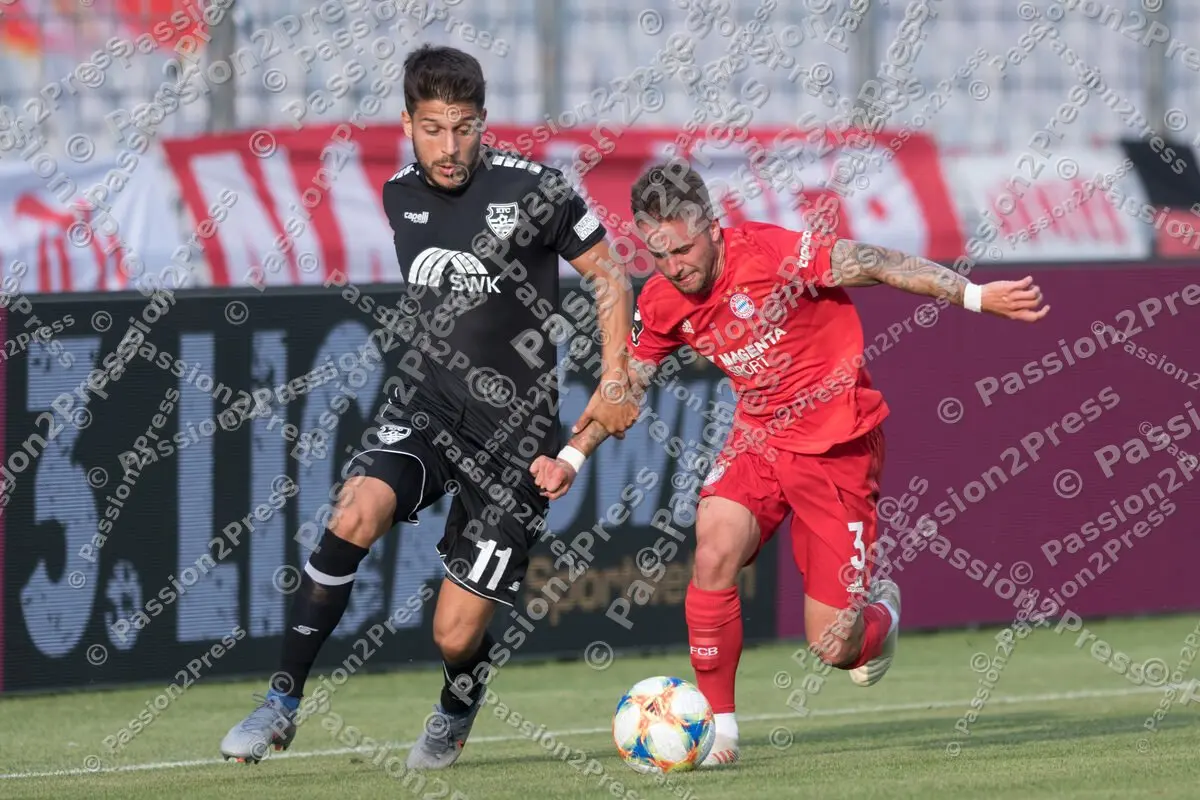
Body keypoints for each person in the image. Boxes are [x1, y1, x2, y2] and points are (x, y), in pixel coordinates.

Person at [530, 160, 1049, 766]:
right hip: (759, 440)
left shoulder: (772, 254)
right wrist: (570, 456)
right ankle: (721, 727)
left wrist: (974, 294)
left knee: (835, 646)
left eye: (684, 249)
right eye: (659, 253)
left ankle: (880, 615)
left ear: (712, 228)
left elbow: (876, 261)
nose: (675, 266)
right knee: (714, 546)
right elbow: (624, 391)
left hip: (837, 445)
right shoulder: (665, 299)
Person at [220, 44, 638, 767]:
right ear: (408, 123)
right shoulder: (398, 194)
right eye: (435, 128)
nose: (451, 147)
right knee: (354, 511)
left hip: (517, 440)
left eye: (465, 128)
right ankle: (281, 702)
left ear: (484, 123)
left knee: (454, 633)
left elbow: (610, 275)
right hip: (428, 412)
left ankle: (458, 700)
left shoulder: (537, 189)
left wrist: (617, 373)